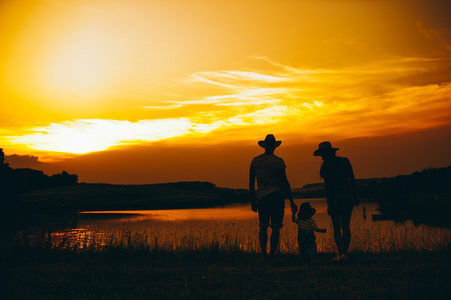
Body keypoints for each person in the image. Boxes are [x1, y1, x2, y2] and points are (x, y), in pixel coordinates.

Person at [249, 134, 298, 261]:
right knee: (276, 226)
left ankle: (263, 255)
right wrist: (291, 201)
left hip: (262, 197)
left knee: (263, 226)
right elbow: (285, 182)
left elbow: (251, 183)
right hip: (277, 196)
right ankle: (272, 255)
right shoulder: (279, 161)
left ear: (264, 146)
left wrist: (253, 200)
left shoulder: (255, 161)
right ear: (275, 146)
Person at [314, 141, 359, 261]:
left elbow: (328, 187)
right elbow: (352, 180)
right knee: (345, 225)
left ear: (324, 154)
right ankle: (345, 253)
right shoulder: (345, 161)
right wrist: (355, 196)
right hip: (348, 197)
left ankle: (341, 253)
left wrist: (329, 204)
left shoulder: (325, 167)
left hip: (336, 199)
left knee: (337, 226)